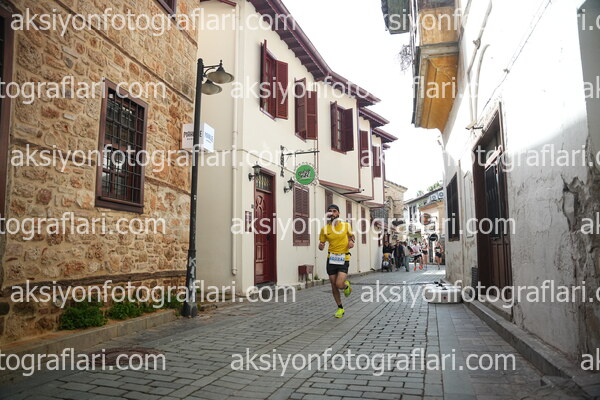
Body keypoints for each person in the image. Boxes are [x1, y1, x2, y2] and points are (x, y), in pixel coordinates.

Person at [319, 204, 354, 318]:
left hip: (344, 258)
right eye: (330, 211)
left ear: (338, 213)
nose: (332, 213)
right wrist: (321, 246)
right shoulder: (325, 229)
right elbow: (321, 244)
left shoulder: (346, 226)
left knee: (339, 284)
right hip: (331, 259)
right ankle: (340, 308)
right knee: (333, 285)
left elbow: (352, 237)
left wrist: (351, 242)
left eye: (334, 211)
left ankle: (346, 286)